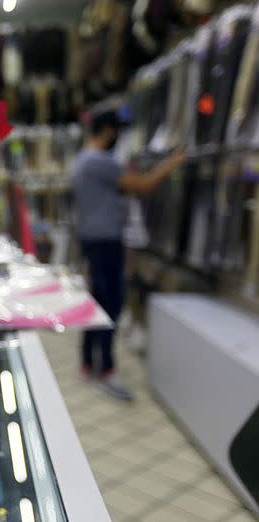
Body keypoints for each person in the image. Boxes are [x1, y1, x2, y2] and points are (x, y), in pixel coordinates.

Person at [72, 110, 185, 401]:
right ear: (109, 131)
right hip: (106, 241)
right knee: (110, 304)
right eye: (117, 131)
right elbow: (144, 185)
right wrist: (171, 163)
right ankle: (106, 369)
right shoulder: (99, 162)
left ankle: (88, 362)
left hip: (93, 239)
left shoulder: (83, 159)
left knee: (97, 301)